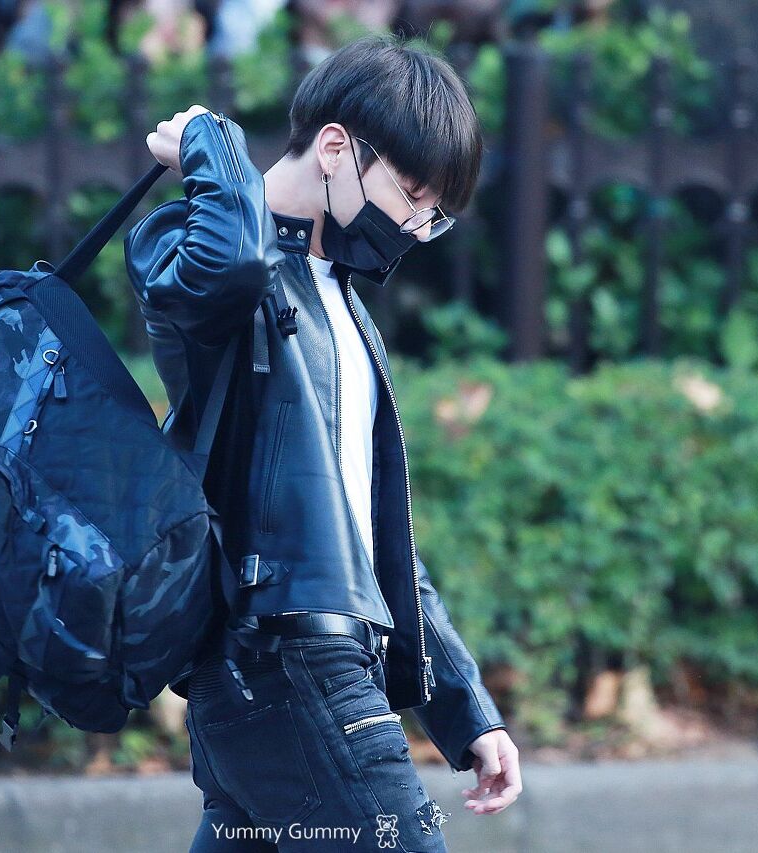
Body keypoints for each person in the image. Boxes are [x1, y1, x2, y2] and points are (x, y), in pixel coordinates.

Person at [124, 33, 522, 852]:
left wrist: (464, 705)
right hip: (286, 658)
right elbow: (229, 262)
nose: (415, 226)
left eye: (434, 214)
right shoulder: (196, 255)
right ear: (336, 148)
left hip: (291, 669)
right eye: (411, 195)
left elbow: (371, 537)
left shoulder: (341, 302)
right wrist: (211, 143)